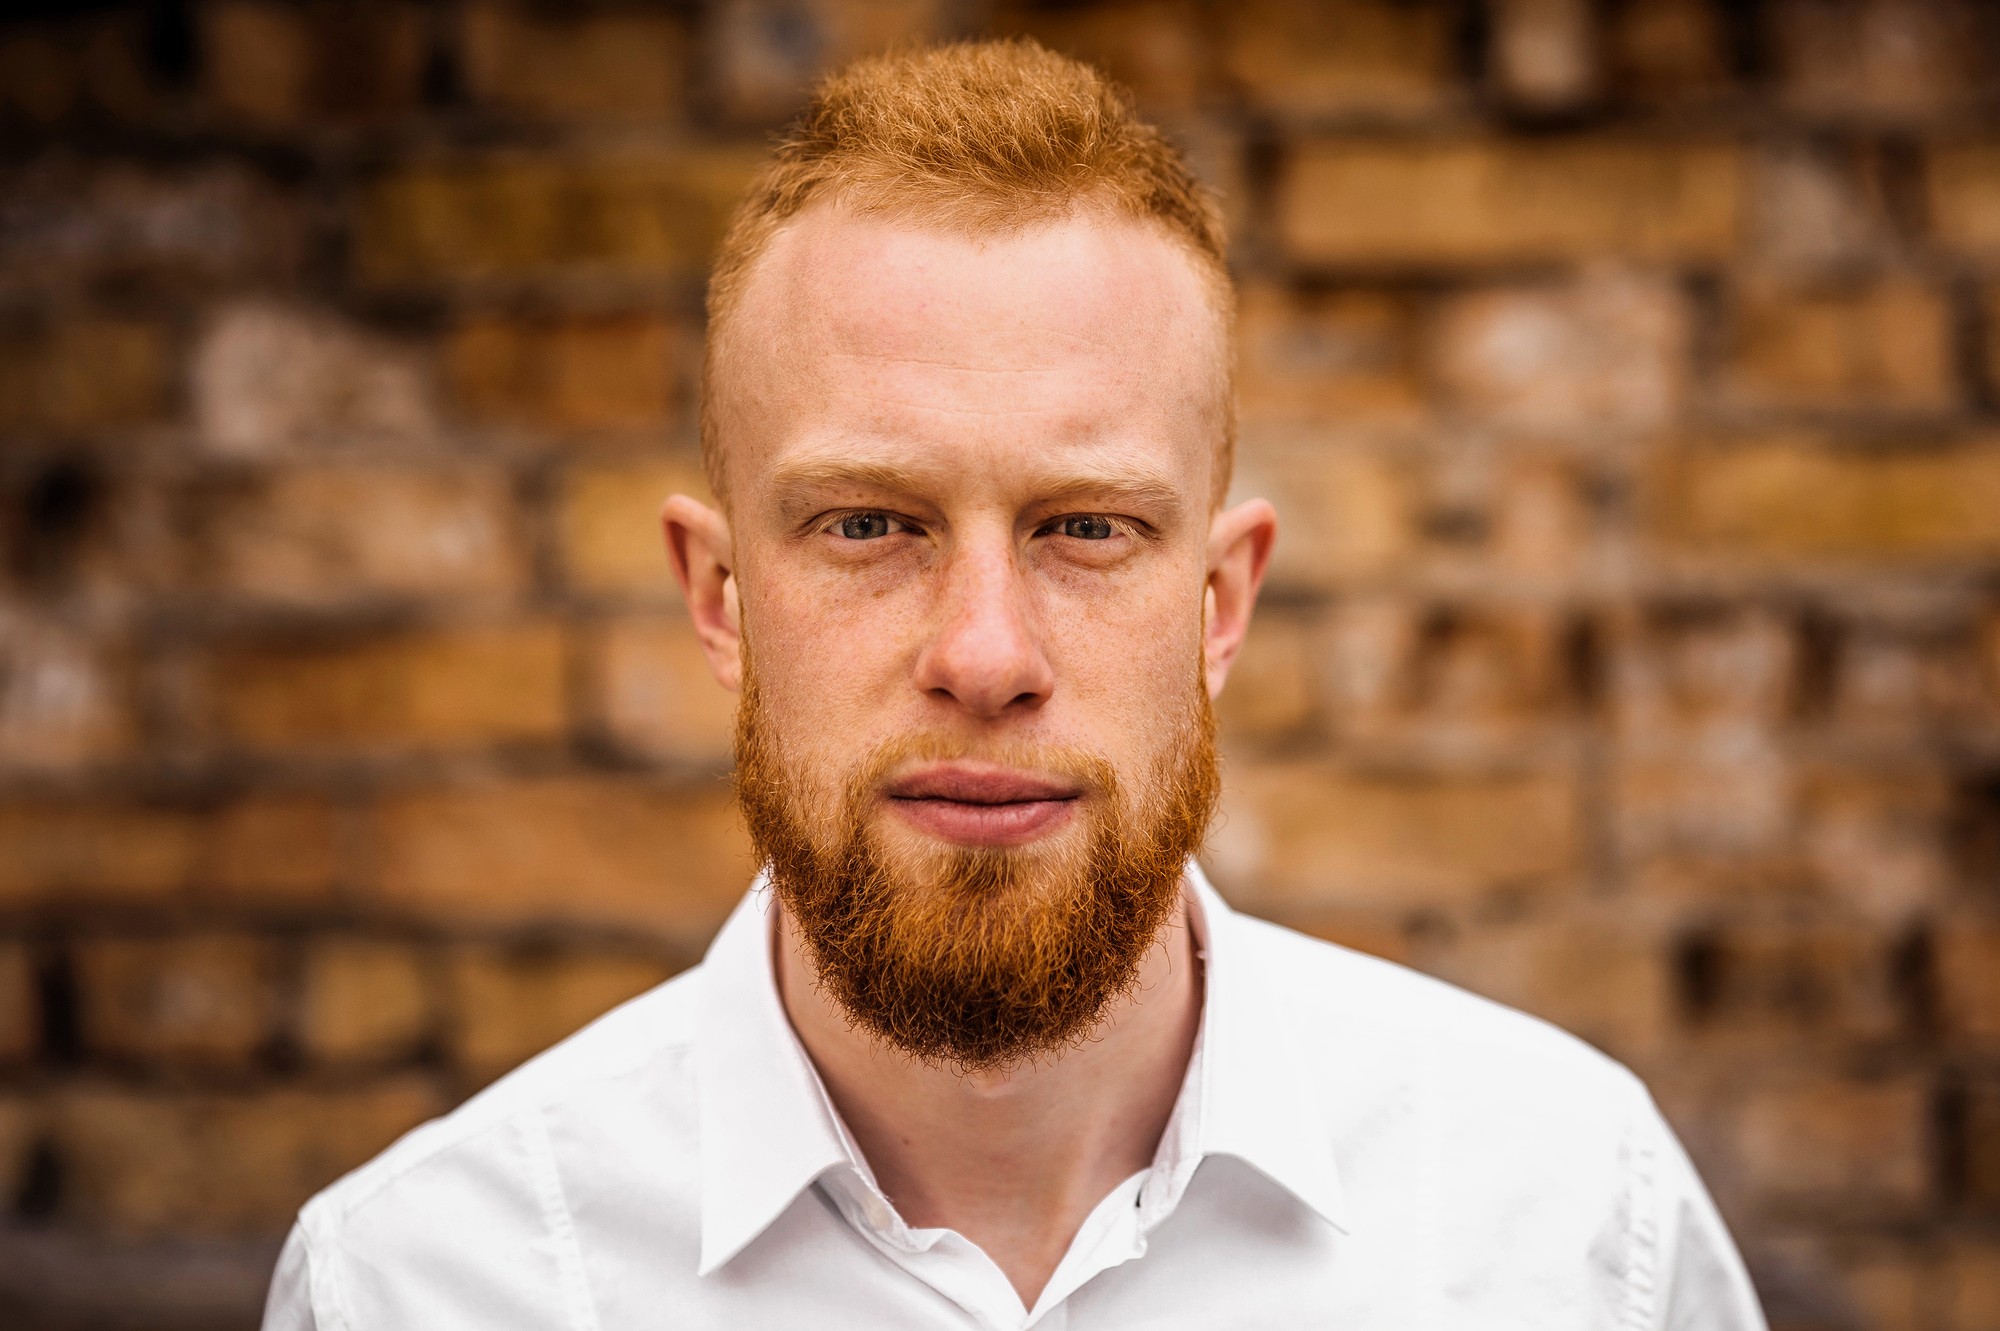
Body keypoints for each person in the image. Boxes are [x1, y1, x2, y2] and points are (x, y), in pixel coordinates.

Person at [262, 40, 1766, 1330]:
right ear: (721, 600)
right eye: (869, 525)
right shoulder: (417, 1286)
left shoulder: (1570, 1225)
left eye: (1087, 529)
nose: (985, 656)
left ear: (1219, 604)